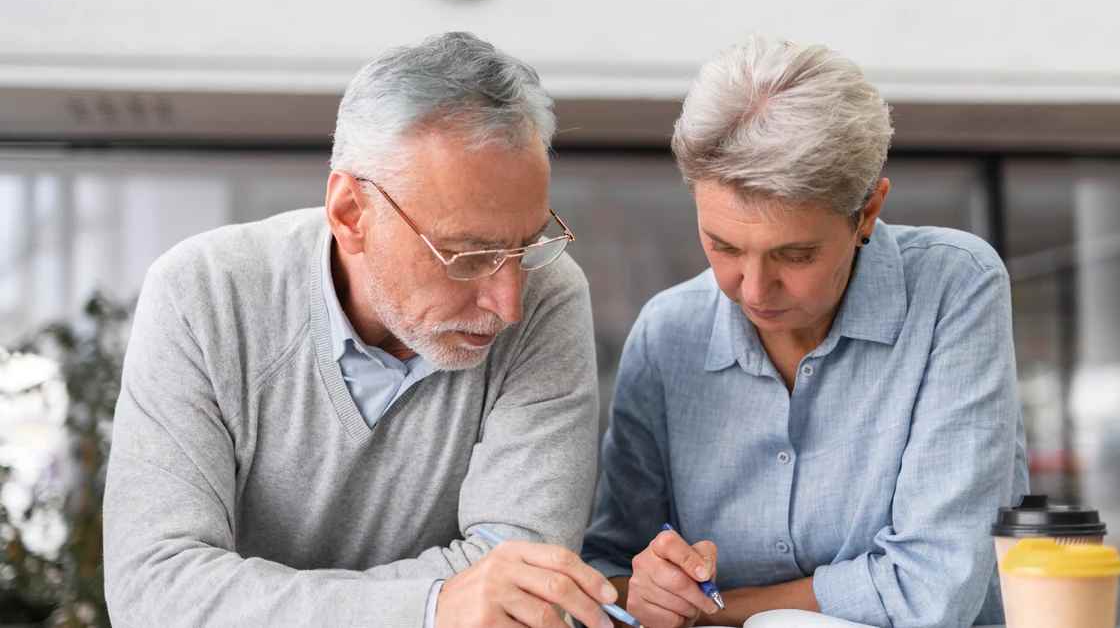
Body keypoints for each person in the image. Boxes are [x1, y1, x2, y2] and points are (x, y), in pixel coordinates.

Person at [103, 32, 619, 628]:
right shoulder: (202, 294)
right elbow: (156, 592)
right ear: (351, 214)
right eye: (467, 254)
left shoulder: (548, 294)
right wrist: (431, 607)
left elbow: (527, 586)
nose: (508, 305)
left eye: (525, 246)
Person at [583, 36, 1028, 628]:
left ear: (867, 212)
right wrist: (645, 589)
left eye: (795, 256)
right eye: (723, 246)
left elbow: (932, 591)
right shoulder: (668, 332)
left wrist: (712, 612)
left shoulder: (955, 286)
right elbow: (608, 571)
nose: (753, 290)